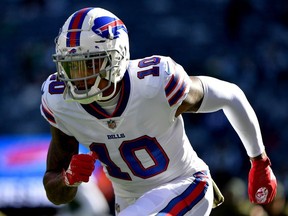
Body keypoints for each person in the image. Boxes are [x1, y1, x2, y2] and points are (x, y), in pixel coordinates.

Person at [40, 7, 277, 216]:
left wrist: (259, 161)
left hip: (185, 185)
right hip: (130, 203)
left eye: (89, 64)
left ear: (117, 56)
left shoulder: (155, 84)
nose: (79, 78)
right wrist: (68, 179)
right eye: (71, 67)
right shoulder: (61, 103)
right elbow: (55, 192)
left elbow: (231, 95)